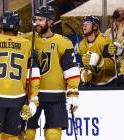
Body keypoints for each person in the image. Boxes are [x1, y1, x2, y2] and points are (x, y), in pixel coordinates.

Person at [0, 11, 40, 140]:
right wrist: (33, 98)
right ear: (17, 26)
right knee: (12, 137)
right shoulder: (27, 45)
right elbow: (34, 76)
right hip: (16, 99)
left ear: (1, 25)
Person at [23, 6, 80, 140]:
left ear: (49, 22)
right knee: (27, 132)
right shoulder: (27, 39)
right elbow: (11, 39)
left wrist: (73, 91)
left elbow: (70, 70)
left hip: (56, 96)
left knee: (53, 134)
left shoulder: (63, 42)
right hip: (31, 94)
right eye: (35, 19)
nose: (36, 23)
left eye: (41, 20)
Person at [77, 15, 116, 86]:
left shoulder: (105, 41)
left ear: (95, 26)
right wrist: (83, 73)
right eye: (83, 24)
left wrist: (99, 61)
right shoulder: (81, 45)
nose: (84, 26)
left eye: (88, 23)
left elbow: (113, 65)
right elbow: (80, 65)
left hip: (109, 82)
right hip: (92, 84)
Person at [104, 6, 124, 75]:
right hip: (110, 68)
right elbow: (103, 48)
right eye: (116, 10)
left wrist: (121, 50)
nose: (116, 12)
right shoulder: (108, 31)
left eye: (119, 11)